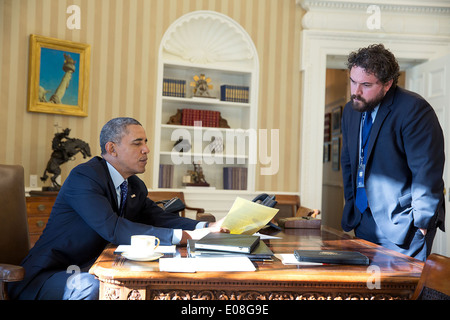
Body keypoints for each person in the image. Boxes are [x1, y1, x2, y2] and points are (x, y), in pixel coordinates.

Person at [8, 117, 225, 300]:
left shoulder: (133, 185)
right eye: (137, 143)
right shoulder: (84, 177)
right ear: (112, 148)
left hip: (95, 268)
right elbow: (112, 228)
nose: (146, 149)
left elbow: (158, 218)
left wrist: (207, 226)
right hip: (49, 274)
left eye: (146, 142)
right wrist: (187, 236)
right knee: (94, 287)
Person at [340, 44, 445, 261]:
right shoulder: (351, 110)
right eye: (353, 81)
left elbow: (426, 170)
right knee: (370, 291)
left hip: (404, 225)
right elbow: (349, 161)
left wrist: (421, 223)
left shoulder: (414, 109)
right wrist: (352, 205)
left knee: (404, 291)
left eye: (366, 85)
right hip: (362, 219)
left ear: (387, 84)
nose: (356, 91)